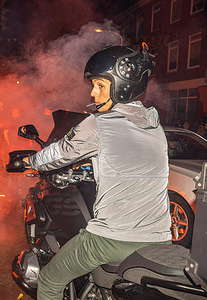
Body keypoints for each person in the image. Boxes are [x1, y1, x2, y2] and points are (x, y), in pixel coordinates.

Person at [23, 45, 172, 299]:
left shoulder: (101, 124)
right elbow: (129, 166)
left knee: (48, 280)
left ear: (122, 86)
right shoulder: (154, 126)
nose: (92, 93)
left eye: (100, 85)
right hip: (159, 240)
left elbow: (60, 152)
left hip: (111, 240)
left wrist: (29, 161)